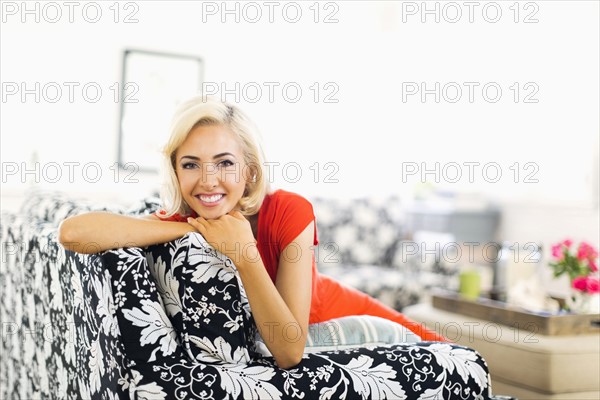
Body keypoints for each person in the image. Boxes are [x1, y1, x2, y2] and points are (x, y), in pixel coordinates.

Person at [58, 95, 446, 370]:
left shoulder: (289, 209)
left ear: (250, 171)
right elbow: (74, 232)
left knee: (447, 354)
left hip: (330, 307)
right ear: (176, 171)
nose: (207, 181)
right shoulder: (190, 217)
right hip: (297, 335)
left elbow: (290, 349)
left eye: (224, 163)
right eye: (191, 165)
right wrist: (178, 229)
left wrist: (244, 252)